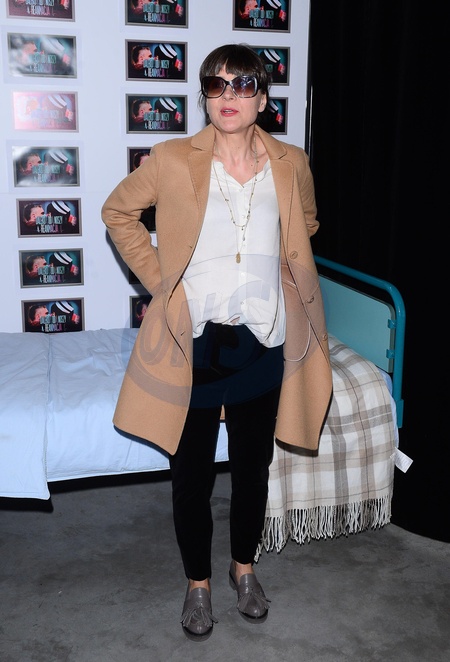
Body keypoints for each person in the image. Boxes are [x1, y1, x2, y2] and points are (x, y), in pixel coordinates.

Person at [101, 43, 332, 641]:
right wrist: (162, 282)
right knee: (193, 475)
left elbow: (305, 224)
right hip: (195, 343)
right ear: (204, 94)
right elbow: (118, 212)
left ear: (263, 97)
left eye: (243, 84)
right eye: (216, 84)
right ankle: (198, 583)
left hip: (263, 340)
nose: (228, 96)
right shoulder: (173, 158)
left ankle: (243, 569)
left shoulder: (290, 162)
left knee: (253, 470)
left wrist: (281, 269)